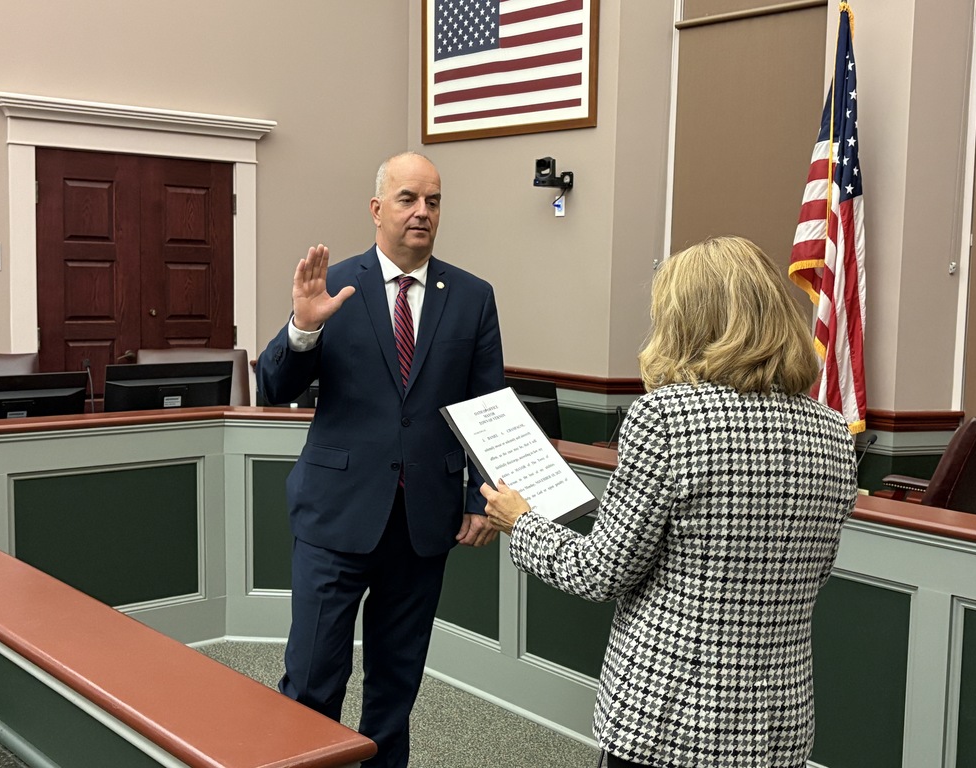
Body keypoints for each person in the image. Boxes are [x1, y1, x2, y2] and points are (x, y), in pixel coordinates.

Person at [481, 236, 858, 768]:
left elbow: (599, 573)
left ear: (687, 321)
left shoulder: (666, 418)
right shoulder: (832, 430)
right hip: (779, 721)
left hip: (670, 717)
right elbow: (812, 576)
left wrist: (522, 523)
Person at [257, 151, 504, 768]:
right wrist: (302, 330)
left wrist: (479, 495)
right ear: (377, 208)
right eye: (407, 198)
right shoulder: (333, 287)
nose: (422, 212)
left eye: (434, 201)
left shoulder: (472, 297)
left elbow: (489, 405)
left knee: (395, 690)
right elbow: (272, 387)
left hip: (423, 524)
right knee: (312, 681)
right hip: (336, 518)